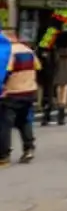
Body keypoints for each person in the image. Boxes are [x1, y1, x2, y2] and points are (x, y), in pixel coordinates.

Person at [0, 30, 32, 166]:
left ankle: (4, 155)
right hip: (29, 91)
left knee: (5, 124)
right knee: (24, 120)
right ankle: (29, 148)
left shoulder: (8, 52)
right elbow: (37, 67)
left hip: (12, 92)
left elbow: (5, 73)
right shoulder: (29, 51)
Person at [51, 30, 67, 125]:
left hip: (59, 65)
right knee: (66, 87)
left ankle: (59, 105)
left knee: (59, 86)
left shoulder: (58, 47)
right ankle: (62, 112)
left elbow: (55, 57)